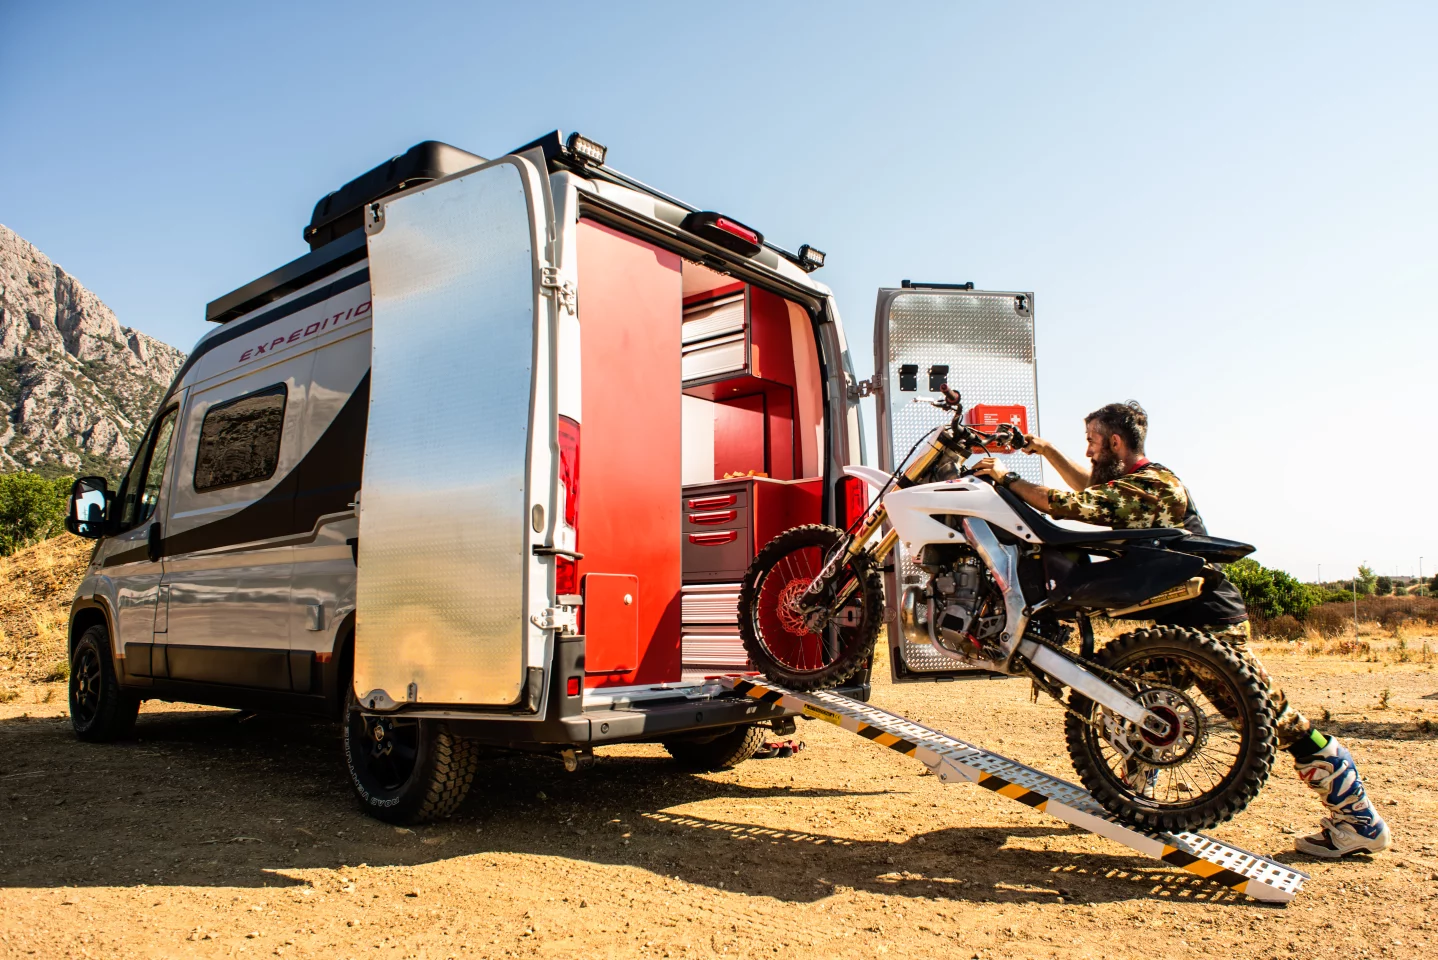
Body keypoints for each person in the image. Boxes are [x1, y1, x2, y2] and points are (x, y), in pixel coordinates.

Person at [972, 400, 1391, 858]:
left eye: (1092, 442)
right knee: (1138, 708)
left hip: (1209, 620)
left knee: (1271, 719)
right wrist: (1047, 449)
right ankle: (1132, 800)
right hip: (1178, 625)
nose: (1088, 452)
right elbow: (1087, 485)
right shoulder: (1131, 483)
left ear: (1115, 441)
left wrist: (1006, 478)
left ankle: (1359, 820)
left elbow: (1076, 504)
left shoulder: (1158, 486)